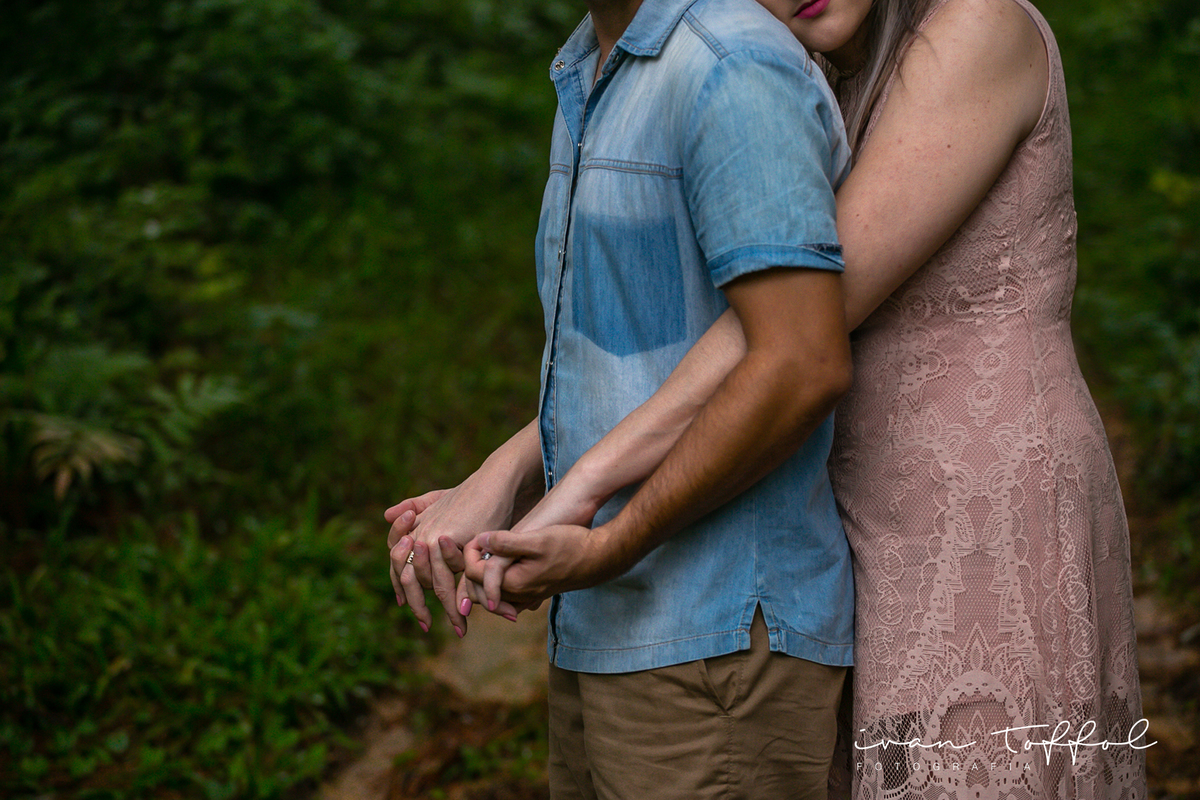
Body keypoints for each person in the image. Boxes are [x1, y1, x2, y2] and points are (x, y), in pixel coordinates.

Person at [456, 0, 1149, 797]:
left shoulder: (977, 27)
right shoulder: (801, 71)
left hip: (981, 510)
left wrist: (580, 487)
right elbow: (710, 355)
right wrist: (512, 468)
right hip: (849, 508)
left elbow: (790, 337)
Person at [388, 0, 861, 797]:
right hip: (604, 622)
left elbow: (801, 364)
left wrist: (614, 543)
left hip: (714, 639)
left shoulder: (731, 65)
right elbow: (641, 368)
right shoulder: (591, 67)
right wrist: (503, 483)